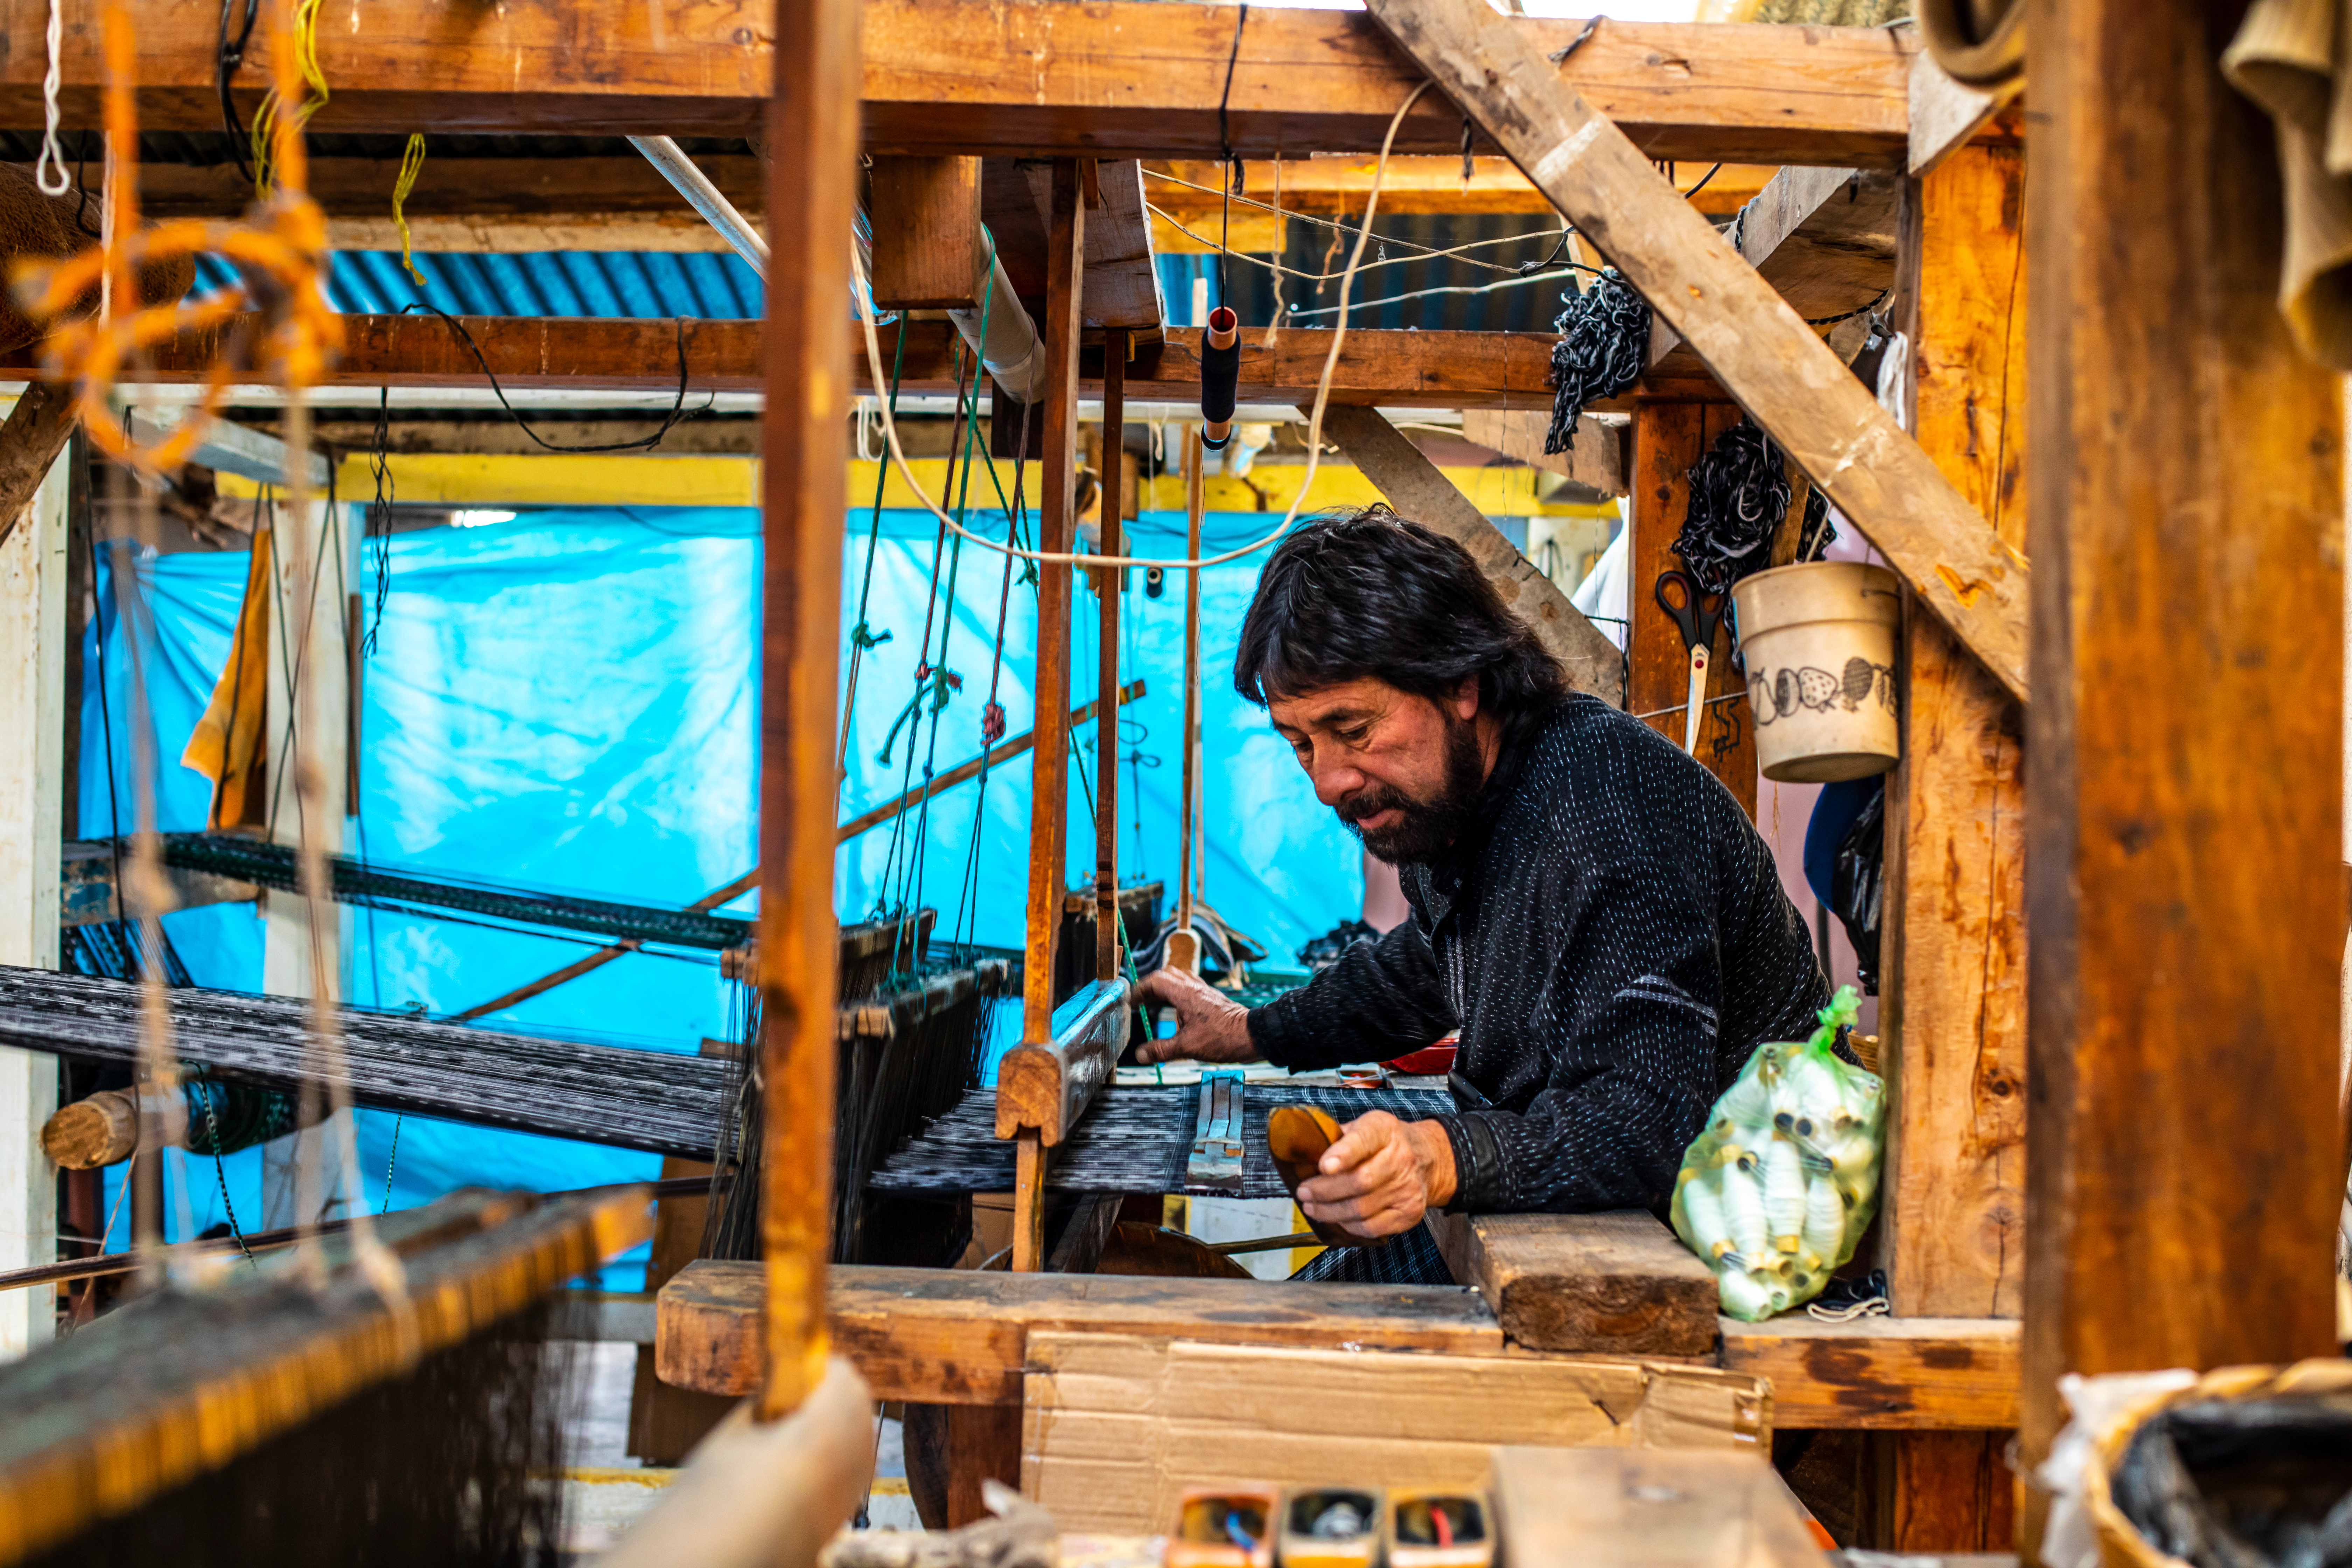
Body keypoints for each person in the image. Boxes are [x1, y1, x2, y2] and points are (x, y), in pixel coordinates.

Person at [1135, 506, 1828, 1283]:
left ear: (1460, 682)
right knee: (1275, 1330)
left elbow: (1644, 1123)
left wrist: (1439, 1153)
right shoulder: (1454, 808)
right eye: (1301, 742)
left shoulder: (1604, 813)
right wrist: (1253, 1030)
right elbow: (1429, 963)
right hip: (1562, 1214)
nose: (1328, 781)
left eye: (1353, 729)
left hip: (1718, 1254)